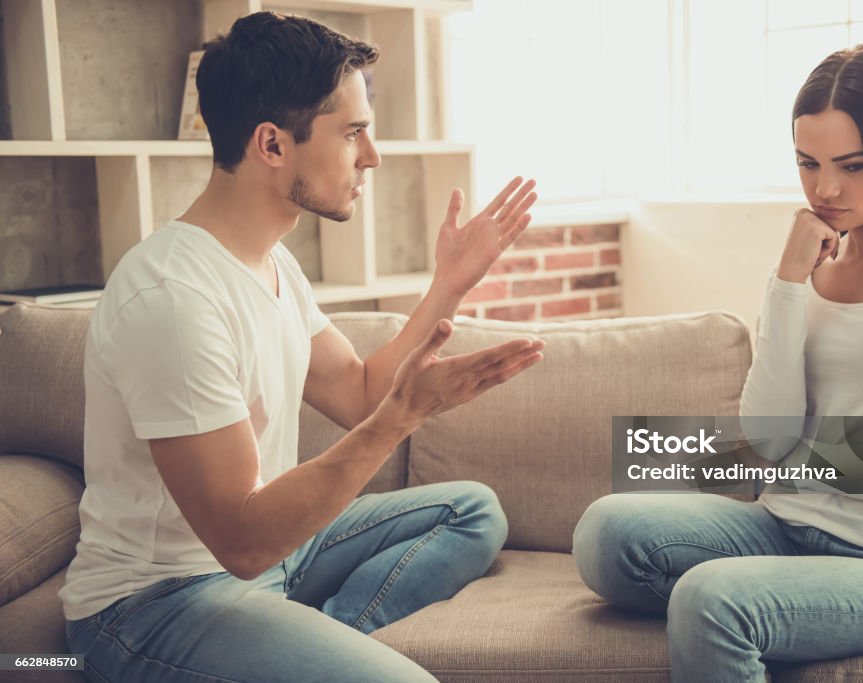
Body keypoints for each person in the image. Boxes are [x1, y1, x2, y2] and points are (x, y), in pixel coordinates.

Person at [59, 12, 544, 682]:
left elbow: (360, 392)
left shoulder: (273, 265)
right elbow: (243, 540)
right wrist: (402, 418)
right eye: (352, 133)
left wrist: (451, 283)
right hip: (154, 603)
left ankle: (318, 638)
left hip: (272, 558)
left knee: (470, 509)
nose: (370, 156)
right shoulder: (173, 298)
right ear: (271, 144)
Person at [573, 44, 863, 681]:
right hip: (787, 527)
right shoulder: (813, 267)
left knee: (711, 600)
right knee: (606, 532)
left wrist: (789, 456)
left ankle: (752, 614)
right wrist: (785, 282)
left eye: (853, 165)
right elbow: (767, 429)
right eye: (808, 163)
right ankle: (784, 606)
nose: (825, 189)